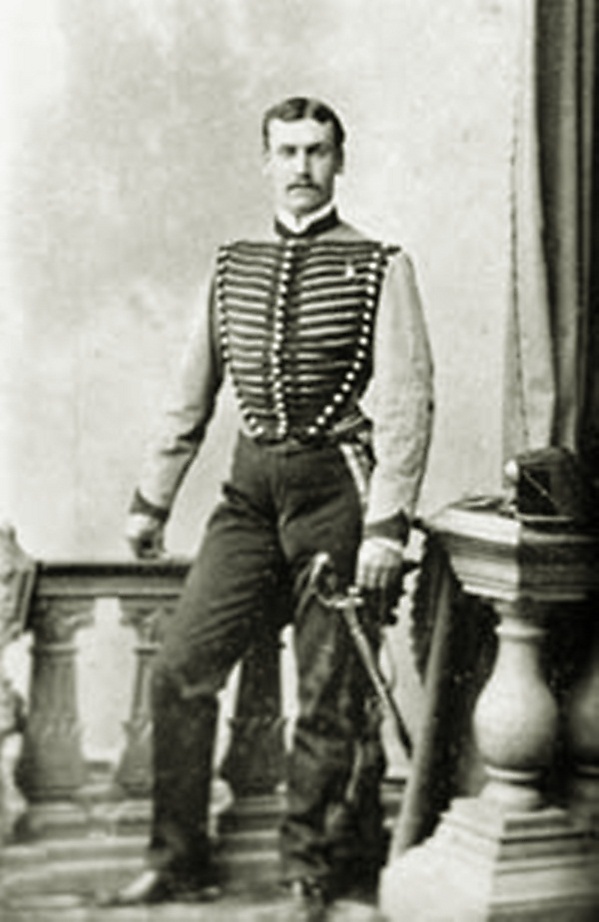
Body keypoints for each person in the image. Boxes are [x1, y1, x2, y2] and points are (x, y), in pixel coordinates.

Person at [110, 96, 434, 922]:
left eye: (316, 151)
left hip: (335, 494)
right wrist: (152, 500)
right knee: (181, 667)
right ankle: (177, 859)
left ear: (339, 161)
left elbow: (406, 403)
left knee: (326, 695)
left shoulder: (380, 265)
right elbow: (191, 393)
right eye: (286, 151)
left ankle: (309, 874)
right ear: (265, 161)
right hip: (248, 494)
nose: (301, 167)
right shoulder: (231, 268)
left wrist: (386, 525)